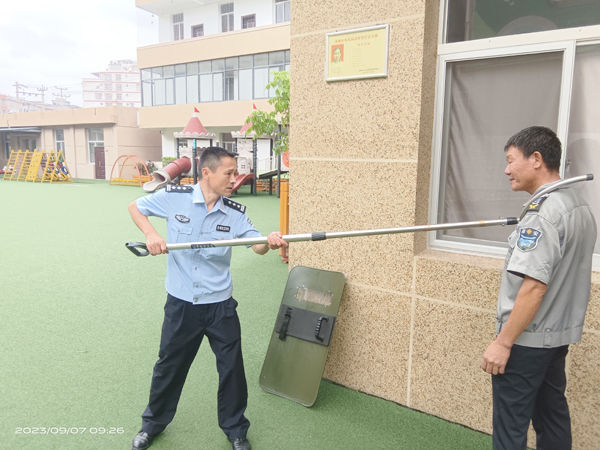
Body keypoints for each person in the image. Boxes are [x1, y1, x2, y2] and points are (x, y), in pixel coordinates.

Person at [128, 147, 288, 450]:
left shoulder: (235, 213)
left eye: (235, 173)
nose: (234, 179)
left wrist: (269, 241)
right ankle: (152, 424)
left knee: (231, 368)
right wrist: (151, 234)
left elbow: (256, 246)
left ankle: (235, 429)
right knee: (169, 366)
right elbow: (135, 206)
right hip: (182, 303)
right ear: (206, 173)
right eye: (229, 173)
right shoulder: (174, 197)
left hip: (220, 305)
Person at [481, 126, 597, 450]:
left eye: (510, 160)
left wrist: (503, 343)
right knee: (552, 416)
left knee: (510, 427)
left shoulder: (542, 214)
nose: (506, 170)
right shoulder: (579, 207)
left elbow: (534, 287)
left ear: (536, 159)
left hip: (526, 341)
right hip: (555, 338)